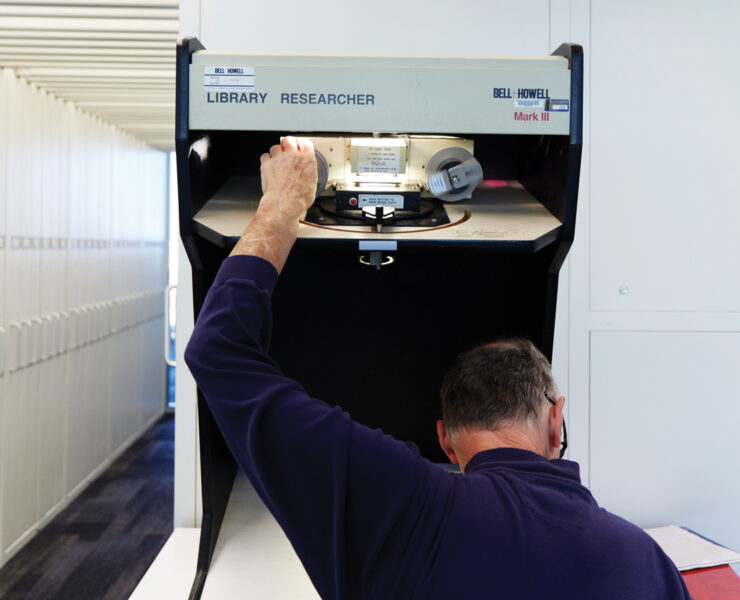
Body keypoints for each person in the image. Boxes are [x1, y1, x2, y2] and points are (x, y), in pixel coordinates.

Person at [184, 136, 690, 599]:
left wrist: (282, 203)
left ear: (446, 440)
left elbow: (217, 351)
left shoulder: (400, 504)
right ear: (557, 421)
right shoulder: (645, 561)